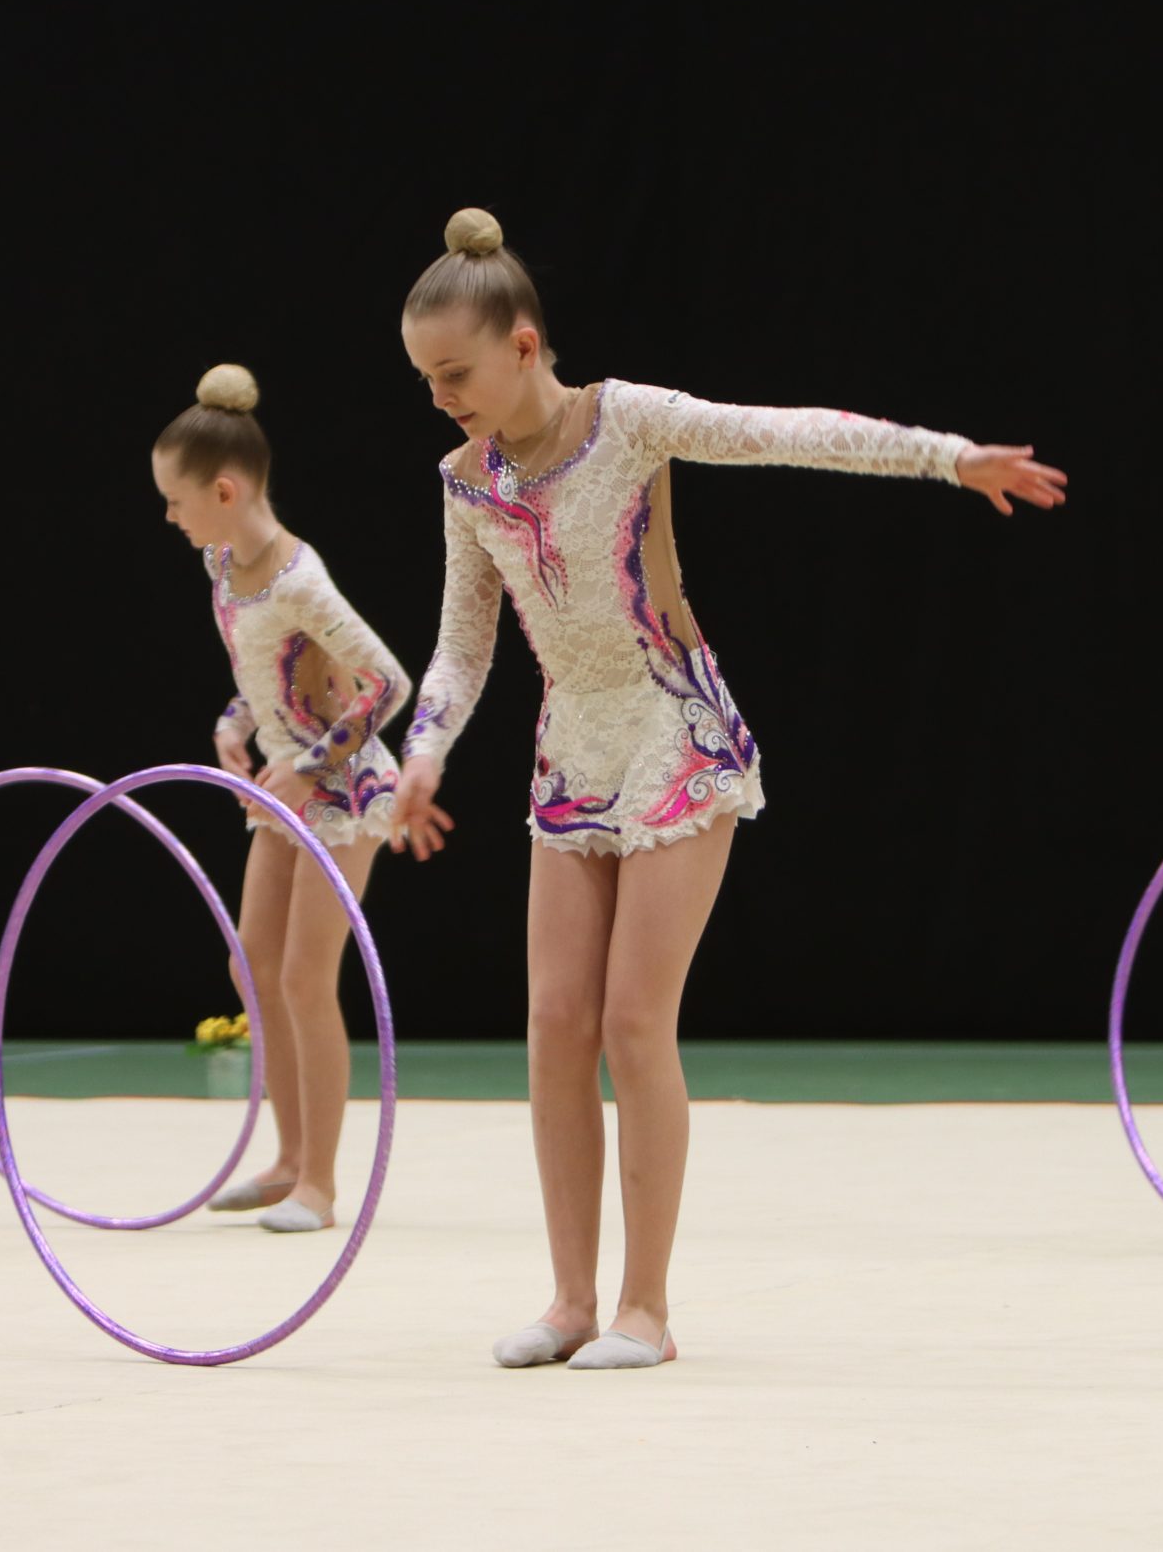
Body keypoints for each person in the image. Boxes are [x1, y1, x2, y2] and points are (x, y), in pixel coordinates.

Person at [388, 208, 1069, 1366]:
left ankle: (646, 1310)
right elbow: (462, 643)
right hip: (571, 754)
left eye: (453, 372)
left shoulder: (627, 419)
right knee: (554, 1026)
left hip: (673, 730)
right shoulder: (466, 481)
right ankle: (570, 1301)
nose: (438, 396)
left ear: (522, 345)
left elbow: (781, 433)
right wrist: (425, 751)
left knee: (631, 1021)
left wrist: (947, 456)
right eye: (424, 378)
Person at [152, 364, 411, 1233]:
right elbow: (264, 669)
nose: (170, 517)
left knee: (305, 976)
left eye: (176, 500)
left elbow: (386, 683)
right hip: (283, 782)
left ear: (224, 491)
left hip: (341, 786)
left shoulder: (302, 579)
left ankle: (321, 1185)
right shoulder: (223, 562)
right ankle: (288, 1157)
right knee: (251, 966)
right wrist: (235, 721)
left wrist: (307, 761)